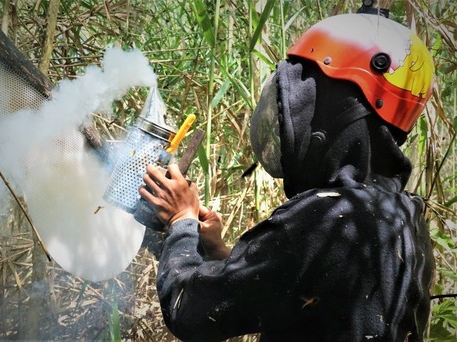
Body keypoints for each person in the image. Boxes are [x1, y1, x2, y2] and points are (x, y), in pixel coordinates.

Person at [139, 9, 435, 342]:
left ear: (335, 111)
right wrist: (220, 254)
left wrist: (181, 220)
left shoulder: (327, 219)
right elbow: (295, 293)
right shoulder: (403, 216)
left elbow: (189, 310)